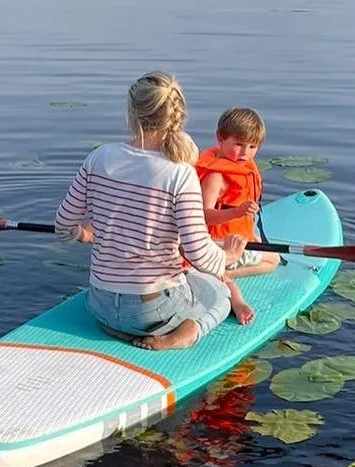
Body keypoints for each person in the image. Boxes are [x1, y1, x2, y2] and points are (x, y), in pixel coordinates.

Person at [54, 72, 246, 351]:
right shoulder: (180, 173)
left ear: (132, 112)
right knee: (221, 294)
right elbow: (197, 254)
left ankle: (118, 328)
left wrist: (83, 234)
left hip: (100, 304)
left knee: (180, 286)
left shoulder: (99, 157)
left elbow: (62, 225)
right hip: (152, 312)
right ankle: (186, 333)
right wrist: (227, 257)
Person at [195, 105, 278, 326]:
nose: (245, 153)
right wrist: (237, 212)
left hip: (234, 239)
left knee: (267, 254)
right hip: (216, 243)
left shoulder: (244, 167)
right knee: (273, 260)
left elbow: (245, 217)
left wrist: (250, 232)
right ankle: (220, 274)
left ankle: (216, 272)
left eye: (252, 146)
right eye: (238, 144)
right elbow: (202, 216)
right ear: (220, 139)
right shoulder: (216, 176)